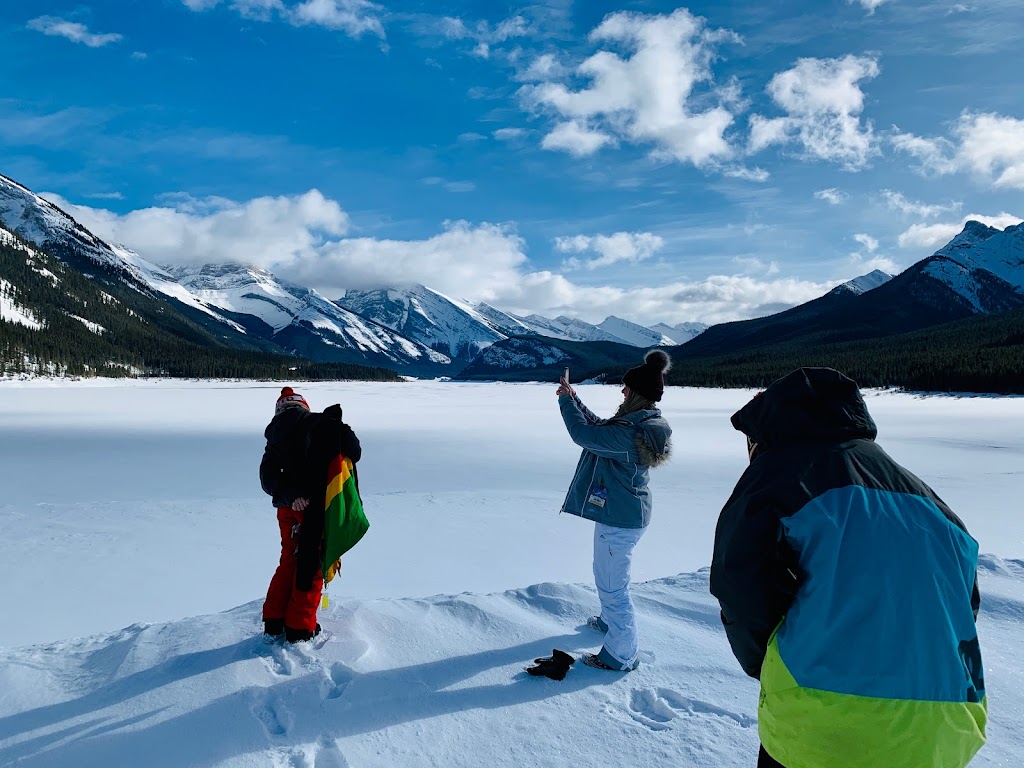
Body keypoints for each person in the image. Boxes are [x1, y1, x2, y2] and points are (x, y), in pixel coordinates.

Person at [710, 368, 986, 768]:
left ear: (766, 434)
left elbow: (739, 583)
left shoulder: (776, 477)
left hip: (826, 723)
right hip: (945, 730)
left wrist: (766, 664)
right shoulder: (932, 502)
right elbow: (964, 607)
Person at [556, 350, 673, 671]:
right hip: (623, 514)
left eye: (627, 388)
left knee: (612, 585)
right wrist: (575, 399)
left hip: (621, 519)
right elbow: (598, 428)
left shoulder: (631, 434)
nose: (622, 391)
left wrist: (565, 403)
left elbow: (586, 435)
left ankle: (621, 654)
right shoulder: (640, 424)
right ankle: (610, 621)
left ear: (638, 394)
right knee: (608, 574)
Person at [259, 387, 362, 643]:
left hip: (287, 509)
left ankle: (274, 621)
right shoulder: (318, 422)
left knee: (289, 561)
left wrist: (291, 497)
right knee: (312, 564)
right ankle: (300, 628)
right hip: (314, 509)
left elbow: (267, 478)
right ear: (302, 405)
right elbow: (355, 451)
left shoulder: (273, 439)